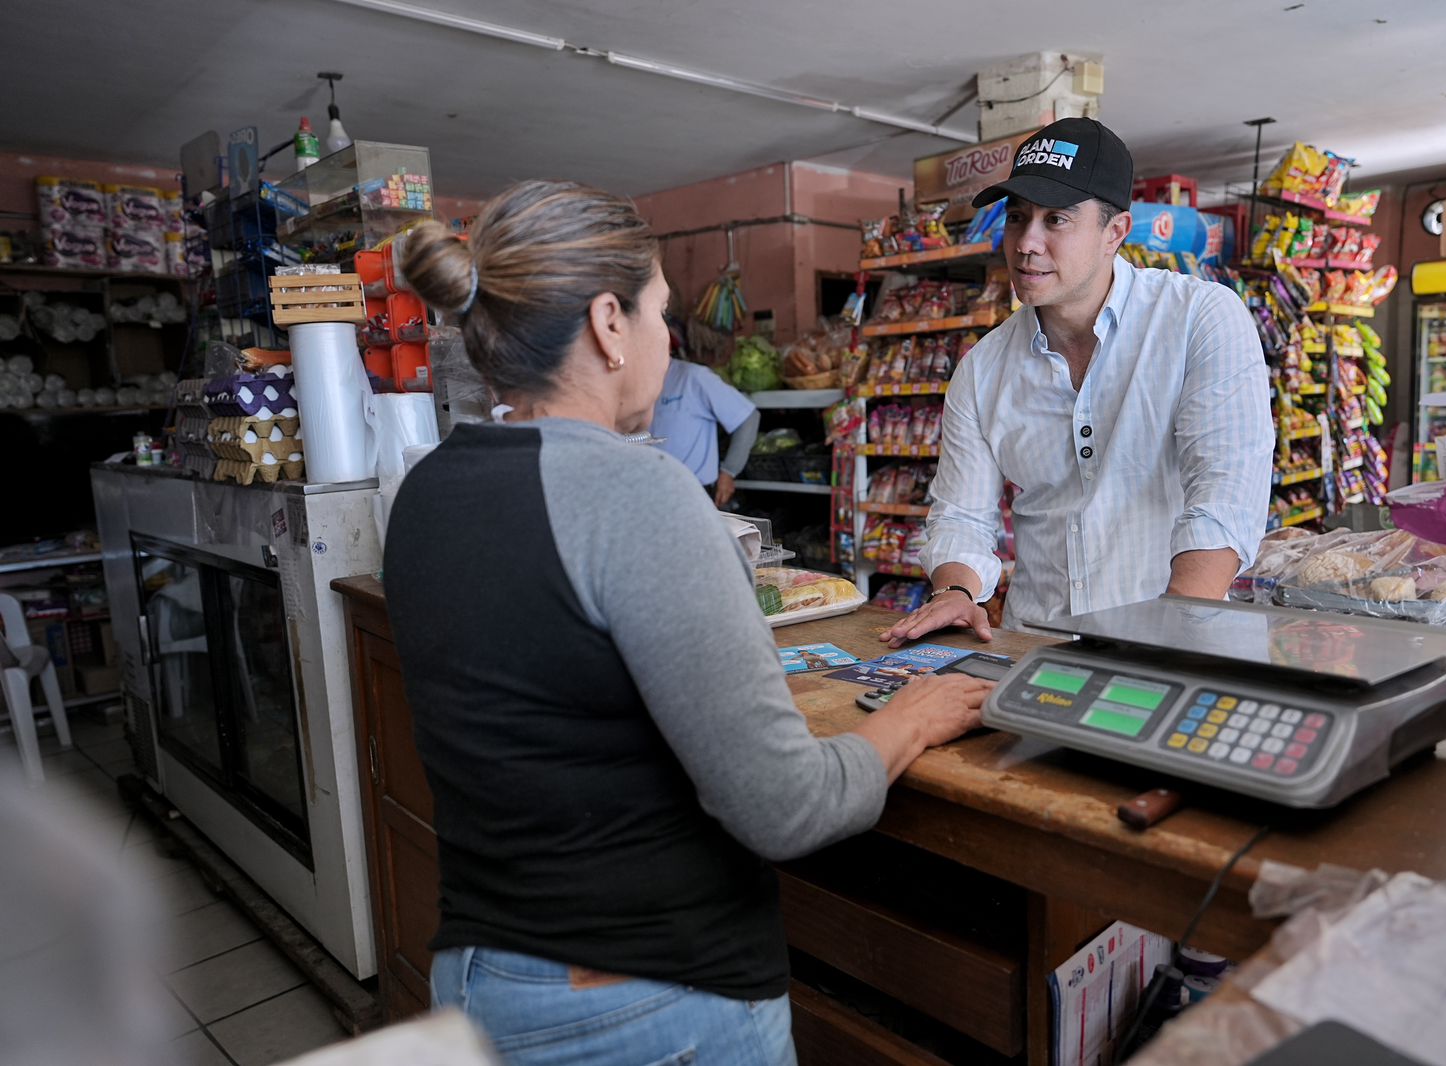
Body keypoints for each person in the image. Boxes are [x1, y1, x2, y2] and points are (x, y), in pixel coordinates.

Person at [381, 180, 993, 1066]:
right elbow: (786, 808)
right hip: (645, 1004)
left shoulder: (426, 491)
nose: (672, 344)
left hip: (481, 985)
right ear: (608, 323)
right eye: (662, 314)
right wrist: (914, 715)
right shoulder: (635, 490)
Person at [886, 117, 1273, 648]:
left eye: (1057, 220)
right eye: (1017, 217)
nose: (1027, 243)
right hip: (1040, 644)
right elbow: (961, 515)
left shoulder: (1199, 320)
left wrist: (1180, 630)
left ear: (1115, 232)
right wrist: (955, 589)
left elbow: (1225, 494)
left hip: (1179, 636)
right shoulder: (983, 368)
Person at [651, 353, 760, 506]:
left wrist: (729, 471)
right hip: (648, 491)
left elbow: (748, 418)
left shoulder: (692, 377)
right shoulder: (631, 383)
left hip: (692, 494)